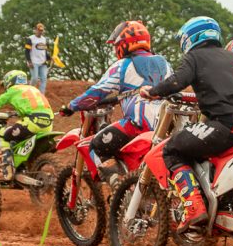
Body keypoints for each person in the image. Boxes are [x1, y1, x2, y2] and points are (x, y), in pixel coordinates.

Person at [140, 16, 233, 232]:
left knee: (172, 149)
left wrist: (153, 91)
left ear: (191, 37)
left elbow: (177, 81)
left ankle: (194, 208)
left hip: (226, 126)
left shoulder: (195, 57)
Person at [59, 21, 171, 180]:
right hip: (163, 129)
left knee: (96, 146)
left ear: (125, 43)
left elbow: (97, 92)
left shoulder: (124, 65)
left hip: (137, 126)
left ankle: (115, 184)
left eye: (116, 45)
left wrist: (71, 106)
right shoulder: (165, 64)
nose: (114, 49)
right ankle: (129, 177)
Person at [0, 70, 54, 181]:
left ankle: (6, 172)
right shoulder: (34, 89)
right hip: (48, 123)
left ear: (9, 81)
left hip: (32, 122)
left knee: (4, 136)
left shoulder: (13, 90)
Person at [24, 23, 51, 94]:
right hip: (33, 62)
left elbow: (45, 52)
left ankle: (41, 96)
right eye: (39, 30)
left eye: (42, 30)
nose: (40, 32)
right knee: (35, 78)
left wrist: (50, 58)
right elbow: (27, 51)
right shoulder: (30, 39)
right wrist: (29, 62)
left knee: (44, 79)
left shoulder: (45, 40)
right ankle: (29, 92)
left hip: (43, 63)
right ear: (35, 30)